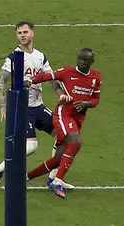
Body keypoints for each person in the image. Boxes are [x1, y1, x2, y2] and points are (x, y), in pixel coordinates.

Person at [24, 48, 102, 198]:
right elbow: (48, 76)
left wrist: (87, 104)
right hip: (63, 114)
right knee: (75, 143)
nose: (82, 62)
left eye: (86, 60)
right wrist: (30, 81)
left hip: (78, 118)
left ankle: (25, 178)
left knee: (59, 157)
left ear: (92, 62)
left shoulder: (95, 78)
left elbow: (96, 99)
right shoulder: (67, 72)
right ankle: (57, 181)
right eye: (80, 59)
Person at [0, 22, 54, 190]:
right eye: (19, 33)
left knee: (64, 137)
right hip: (22, 107)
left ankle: (54, 179)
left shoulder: (40, 56)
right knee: (31, 146)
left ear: (33, 34)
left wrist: (62, 94)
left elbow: (51, 77)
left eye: (25, 32)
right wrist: (3, 105)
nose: (22, 35)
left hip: (38, 106)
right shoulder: (14, 57)